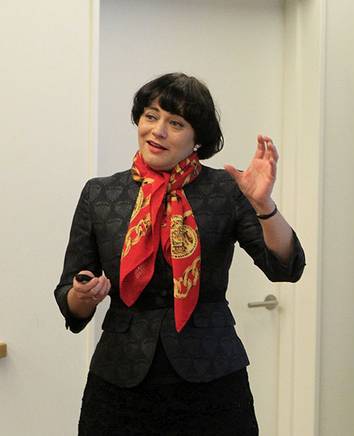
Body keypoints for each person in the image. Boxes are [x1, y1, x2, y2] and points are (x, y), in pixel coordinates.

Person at [53, 72, 305, 436]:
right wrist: (82, 295)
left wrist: (264, 206)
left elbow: (284, 266)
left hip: (212, 375)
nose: (157, 131)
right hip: (120, 377)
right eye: (151, 116)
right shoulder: (100, 194)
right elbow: (70, 298)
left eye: (175, 123)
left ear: (197, 137)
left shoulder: (225, 189)